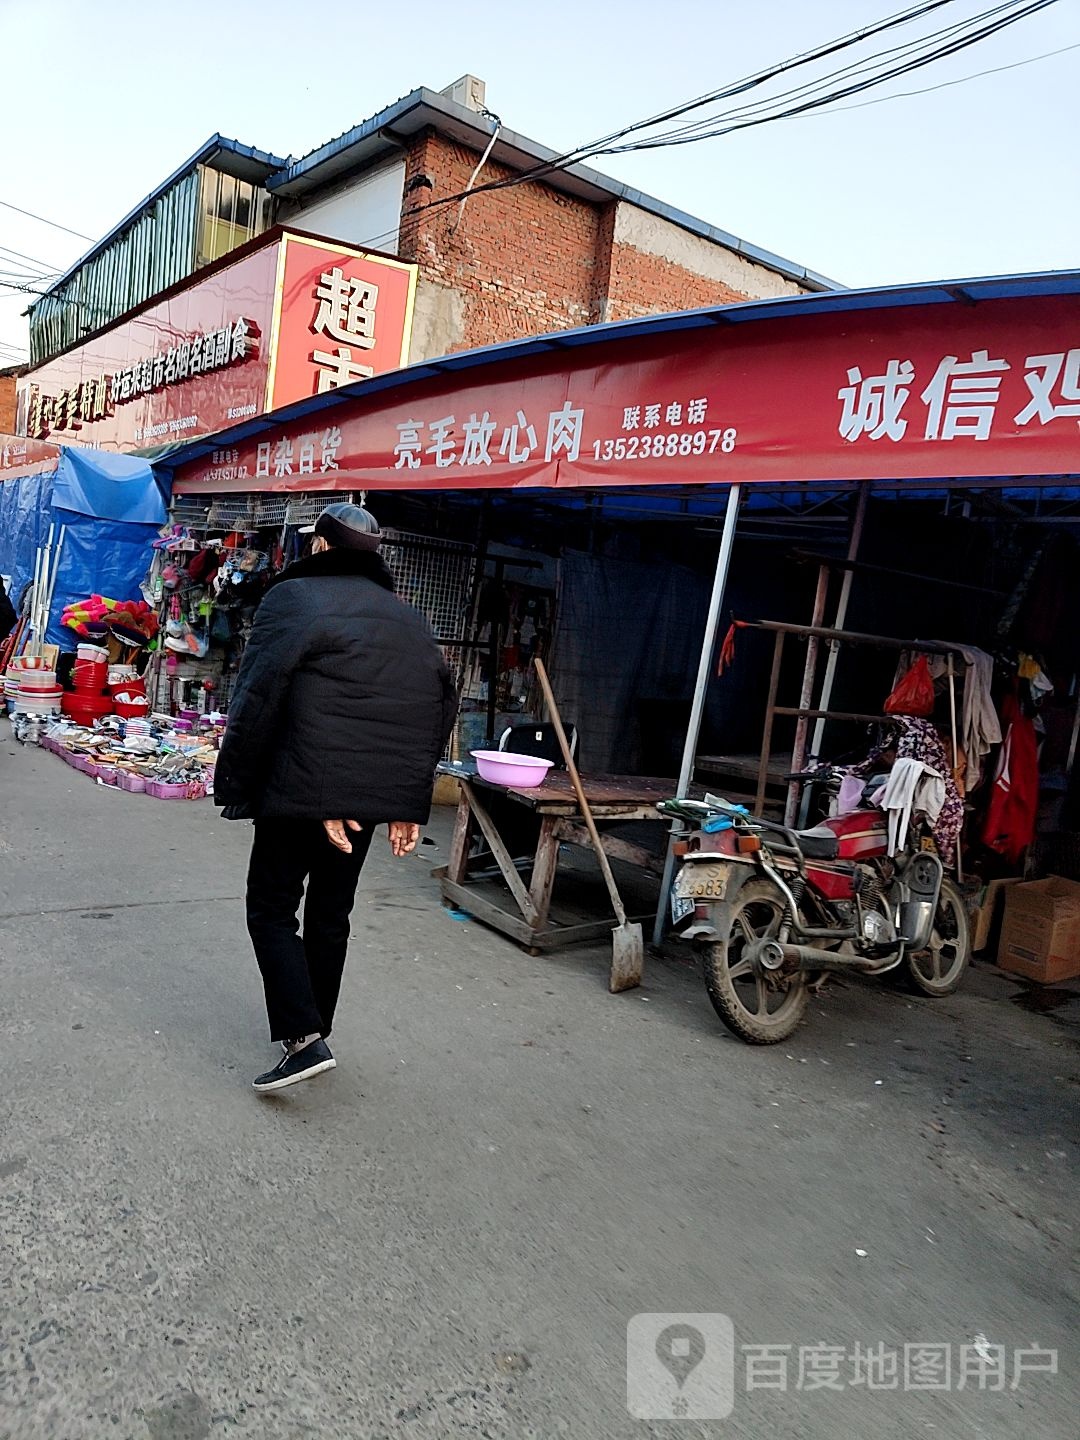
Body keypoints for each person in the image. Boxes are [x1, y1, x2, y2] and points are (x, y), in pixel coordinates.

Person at [213, 503, 458, 1093]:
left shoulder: (291, 600)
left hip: (304, 785)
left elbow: (260, 695)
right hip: (364, 795)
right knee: (330, 911)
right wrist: (403, 801)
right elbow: (437, 707)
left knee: (270, 908)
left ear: (320, 547)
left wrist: (236, 782)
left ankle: (303, 1039)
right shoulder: (407, 618)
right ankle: (314, 1032)